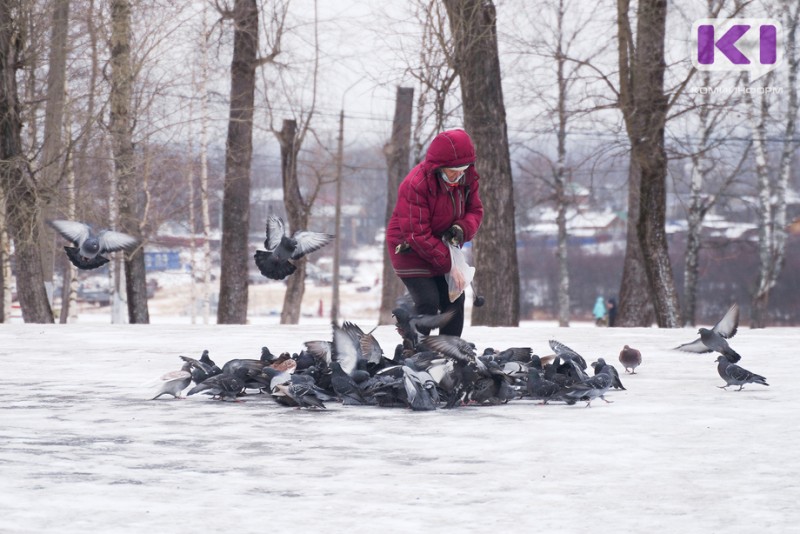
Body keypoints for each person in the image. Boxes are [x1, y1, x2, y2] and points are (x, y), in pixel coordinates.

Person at [386, 128, 484, 338]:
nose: (458, 176)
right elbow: (417, 234)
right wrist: (450, 266)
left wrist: (461, 229)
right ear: (439, 167)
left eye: (463, 169)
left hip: (443, 245)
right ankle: (416, 351)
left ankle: (449, 353)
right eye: (452, 171)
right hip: (410, 248)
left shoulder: (467, 180)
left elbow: (475, 211)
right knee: (428, 302)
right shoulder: (416, 185)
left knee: (454, 299)